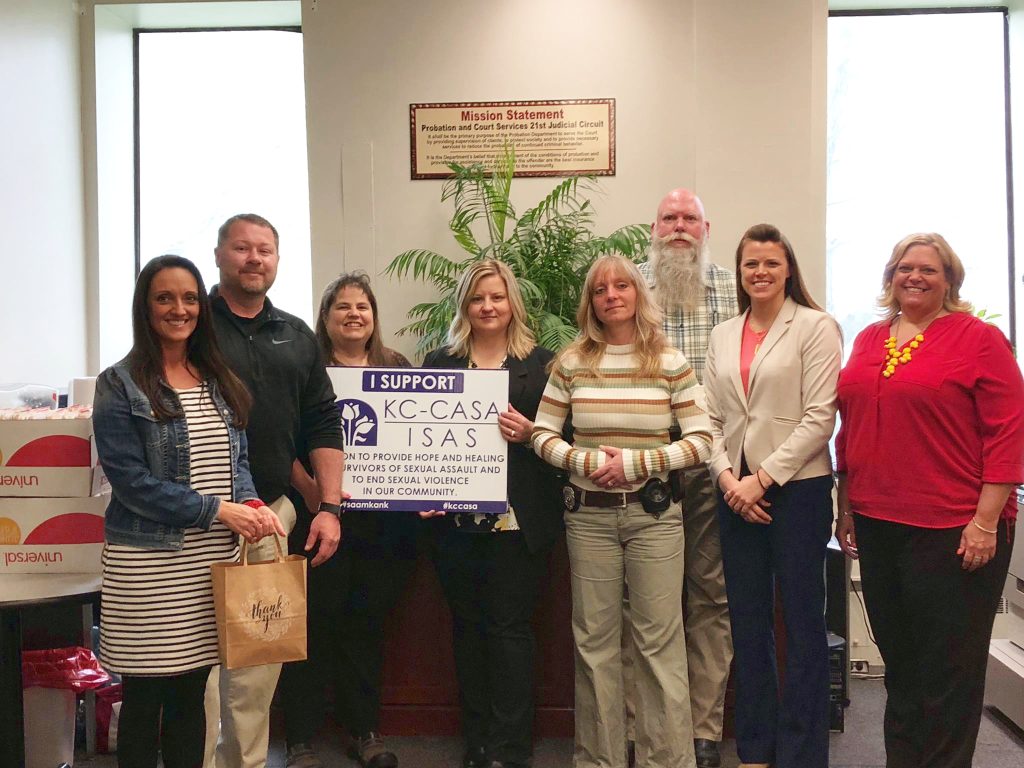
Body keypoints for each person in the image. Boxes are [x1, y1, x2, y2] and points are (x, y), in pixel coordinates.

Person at [835, 232, 1024, 768]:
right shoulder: (870, 339)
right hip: (877, 523)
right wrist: (846, 504)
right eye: (904, 268)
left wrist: (986, 521)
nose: (914, 277)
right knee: (902, 664)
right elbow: (851, 426)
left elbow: (1009, 433)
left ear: (950, 281)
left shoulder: (979, 339)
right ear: (890, 277)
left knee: (949, 673)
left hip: (956, 529)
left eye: (929, 270)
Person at [92, 255, 286, 768]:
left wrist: (248, 502)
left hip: (209, 566)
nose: (179, 309)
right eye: (165, 298)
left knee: (192, 698)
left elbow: (235, 462)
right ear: (145, 306)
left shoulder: (218, 377)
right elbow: (131, 484)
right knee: (146, 700)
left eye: (190, 298)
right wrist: (217, 511)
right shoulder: (118, 384)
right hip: (148, 566)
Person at [532, 254, 712, 768]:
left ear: (638, 294)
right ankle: (599, 760)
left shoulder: (670, 362)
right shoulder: (570, 363)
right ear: (589, 302)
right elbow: (542, 434)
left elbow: (702, 440)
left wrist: (638, 462)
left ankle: (667, 762)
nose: (611, 295)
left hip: (655, 517)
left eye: (621, 286)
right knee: (594, 647)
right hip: (587, 519)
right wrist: (585, 460)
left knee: (659, 646)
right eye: (599, 290)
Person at [202, 214, 346, 768]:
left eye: (265, 249)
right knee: (202, 673)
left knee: (257, 673)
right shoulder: (193, 327)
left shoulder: (296, 335)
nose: (254, 258)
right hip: (202, 520)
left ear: (278, 261)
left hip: (272, 521)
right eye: (242, 248)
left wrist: (328, 508)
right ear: (219, 255)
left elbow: (322, 422)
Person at [704, 224, 842, 768]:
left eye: (770, 263)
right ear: (738, 274)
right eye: (750, 265)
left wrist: (760, 481)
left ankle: (803, 751)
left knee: (804, 622)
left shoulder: (815, 326)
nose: (760, 273)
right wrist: (727, 480)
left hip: (797, 491)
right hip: (734, 491)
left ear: (789, 269)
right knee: (747, 621)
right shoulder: (722, 333)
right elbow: (709, 418)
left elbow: (819, 418)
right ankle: (756, 747)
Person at [421, 259, 563, 768]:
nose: (488, 306)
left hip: (517, 522)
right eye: (478, 298)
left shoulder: (543, 365)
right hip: (454, 523)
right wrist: (422, 495)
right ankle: (477, 740)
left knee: (510, 632)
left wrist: (530, 436)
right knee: (466, 628)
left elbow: (564, 441)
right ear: (465, 304)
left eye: (497, 297)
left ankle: (511, 745)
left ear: (512, 305)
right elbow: (420, 447)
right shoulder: (439, 363)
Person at [280, 272, 415, 768]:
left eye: (363, 306)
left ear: (374, 316)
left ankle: (365, 730)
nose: (354, 314)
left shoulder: (398, 367)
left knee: (366, 625)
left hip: (384, 530)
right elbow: (281, 440)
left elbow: (416, 451)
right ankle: (300, 739)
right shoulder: (304, 367)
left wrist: (427, 488)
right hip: (316, 518)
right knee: (311, 626)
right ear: (326, 316)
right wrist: (311, 490)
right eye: (343, 307)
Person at [634, 187, 737, 768]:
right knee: (644, 604)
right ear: (653, 226)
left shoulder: (730, 286)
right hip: (639, 464)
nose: (679, 228)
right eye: (670, 218)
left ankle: (702, 730)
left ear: (705, 227)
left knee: (709, 597)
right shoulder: (625, 286)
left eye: (689, 219)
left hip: (707, 464)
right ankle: (647, 726)